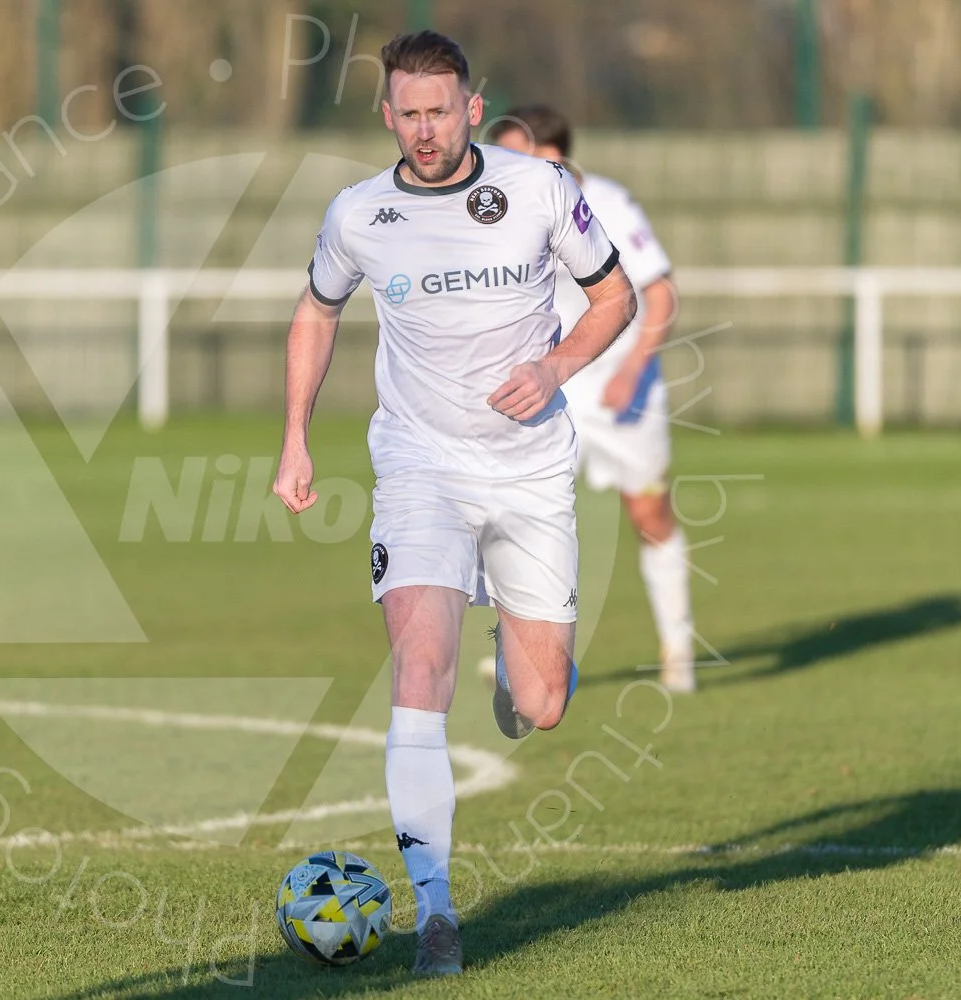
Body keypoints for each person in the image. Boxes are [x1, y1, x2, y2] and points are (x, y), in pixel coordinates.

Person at [273, 31, 636, 976]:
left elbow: (615, 299)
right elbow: (317, 309)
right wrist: (295, 437)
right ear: (387, 115)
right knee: (420, 669)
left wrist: (553, 368)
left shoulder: (538, 189)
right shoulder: (360, 214)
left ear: (472, 109)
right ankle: (436, 910)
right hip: (419, 467)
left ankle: (513, 654)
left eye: (441, 111)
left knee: (544, 703)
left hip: (528, 469)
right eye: (410, 113)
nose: (426, 129)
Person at [491, 104, 696, 693]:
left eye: (515, 155)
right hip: (556, 388)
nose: (500, 167)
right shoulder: (504, 209)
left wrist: (633, 368)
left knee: (649, 513)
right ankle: (521, 651)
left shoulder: (608, 204)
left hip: (620, 393)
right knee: (520, 513)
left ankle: (678, 647)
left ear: (551, 154)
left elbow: (660, 294)